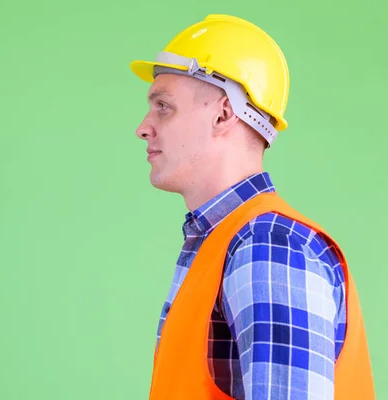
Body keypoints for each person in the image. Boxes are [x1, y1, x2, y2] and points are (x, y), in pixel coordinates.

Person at [129, 14, 375, 400]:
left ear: (223, 114)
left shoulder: (270, 246)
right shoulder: (223, 244)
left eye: (163, 106)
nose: (143, 127)